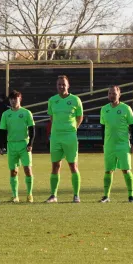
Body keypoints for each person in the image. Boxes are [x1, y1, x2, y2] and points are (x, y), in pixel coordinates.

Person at [46, 75, 83, 203]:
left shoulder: (75, 100)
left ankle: (76, 195)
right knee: (55, 165)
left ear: (68, 86)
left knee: (73, 165)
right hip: (56, 137)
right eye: (59, 84)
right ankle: (53, 195)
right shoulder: (52, 100)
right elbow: (52, 118)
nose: (61, 87)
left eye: (63, 84)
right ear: (56, 86)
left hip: (70, 137)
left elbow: (79, 117)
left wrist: (72, 129)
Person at [99, 85, 133, 203]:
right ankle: (106, 196)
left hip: (123, 145)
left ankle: (131, 196)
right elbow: (102, 127)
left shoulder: (126, 108)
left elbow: (132, 127)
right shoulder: (104, 109)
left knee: (126, 170)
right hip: (109, 145)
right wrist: (103, 143)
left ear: (119, 94)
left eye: (114, 93)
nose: (112, 95)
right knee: (108, 170)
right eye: (110, 93)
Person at [0, 90, 35, 203]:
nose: (14, 100)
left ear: (20, 99)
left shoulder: (26, 113)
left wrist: (30, 144)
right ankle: (15, 196)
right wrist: (2, 146)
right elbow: (2, 132)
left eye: (16, 98)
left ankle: (29, 195)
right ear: (9, 100)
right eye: (12, 99)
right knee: (13, 171)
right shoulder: (6, 114)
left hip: (24, 144)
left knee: (27, 169)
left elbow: (32, 129)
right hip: (11, 145)